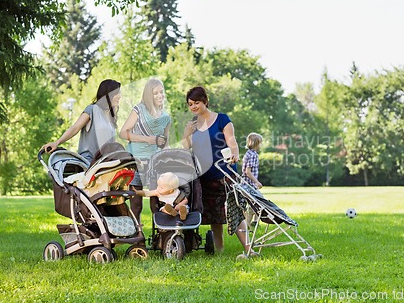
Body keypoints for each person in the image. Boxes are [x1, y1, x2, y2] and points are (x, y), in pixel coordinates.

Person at [183, 86, 255, 257]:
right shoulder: (192, 125)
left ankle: (249, 250)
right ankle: (219, 250)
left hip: (226, 174)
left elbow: (232, 141)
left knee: (235, 211)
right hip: (205, 176)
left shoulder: (222, 119)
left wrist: (235, 154)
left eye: (197, 102)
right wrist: (186, 134)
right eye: (190, 104)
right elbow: (186, 150)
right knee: (214, 215)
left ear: (205, 101)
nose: (193, 106)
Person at [119, 78, 171, 223]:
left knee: (156, 201)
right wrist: (148, 139)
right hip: (136, 161)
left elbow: (164, 144)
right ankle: (138, 235)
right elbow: (123, 133)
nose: (160, 95)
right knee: (136, 203)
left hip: (155, 163)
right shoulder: (139, 110)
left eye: (161, 92)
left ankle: (160, 234)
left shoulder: (166, 118)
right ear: (149, 95)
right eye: (156, 93)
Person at [41, 79, 122, 162]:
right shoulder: (92, 110)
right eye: (117, 93)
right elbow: (75, 128)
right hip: (89, 161)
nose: (120, 96)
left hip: (105, 162)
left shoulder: (110, 117)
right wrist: (57, 143)